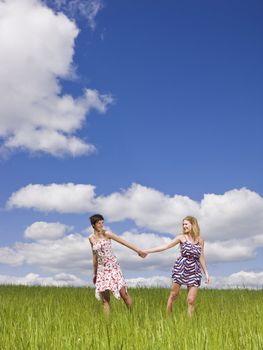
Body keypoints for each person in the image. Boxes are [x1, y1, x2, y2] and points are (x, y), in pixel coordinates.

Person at [145, 216, 210, 318]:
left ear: (193, 225)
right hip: (181, 268)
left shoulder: (200, 241)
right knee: (174, 295)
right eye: (183, 224)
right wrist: (147, 251)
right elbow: (165, 246)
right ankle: (168, 318)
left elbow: (201, 256)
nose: (184, 226)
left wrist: (206, 273)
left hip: (195, 270)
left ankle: (190, 324)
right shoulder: (181, 237)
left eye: (186, 224)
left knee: (191, 300)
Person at [89, 214, 146, 315]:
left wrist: (138, 251)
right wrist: (95, 273)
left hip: (113, 267)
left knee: (123, 293)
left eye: (102, 222)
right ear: (93, 225)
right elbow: (94, 255)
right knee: (105, 300)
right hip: (102, 269)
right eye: (99, 223)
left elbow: (123, 242)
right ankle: (107, 325)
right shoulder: (91, 238)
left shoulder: (107, 234)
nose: (101, 225)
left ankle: (134, 316)